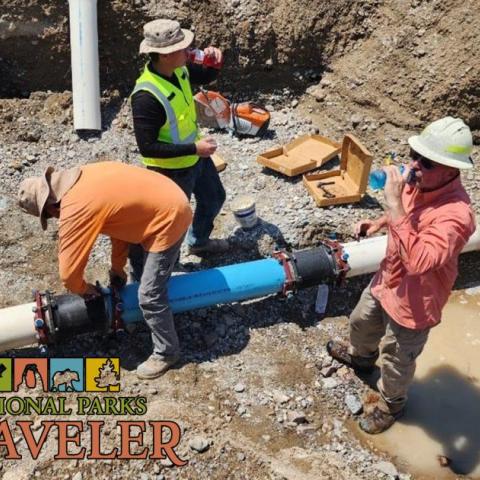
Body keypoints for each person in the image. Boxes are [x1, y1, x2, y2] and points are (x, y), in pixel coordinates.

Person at [327, 117, 476, 434]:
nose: (414, 165)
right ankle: (361, 359)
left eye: (426, 161)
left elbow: (421, 262)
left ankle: (391, 405)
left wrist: (393, 202)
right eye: (415, 155)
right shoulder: (420, 182)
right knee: (360, 322)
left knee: (396, 361)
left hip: (416, 302)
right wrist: (378, 223)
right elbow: (403, 210)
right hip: (387, 280)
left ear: (452, 170)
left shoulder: (457, 215)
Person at [17, 161, 192, 380]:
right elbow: (120, 222)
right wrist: (117, 269)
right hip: (162, 199)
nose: (57, 219)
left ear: (51, 207)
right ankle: (141, 315)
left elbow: (69, 274)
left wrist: (85, 290)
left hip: (170, 217)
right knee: (140, 272)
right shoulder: (84, 176)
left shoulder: (76, 207)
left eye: (52, 217)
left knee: (150, 295)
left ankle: (167, 352)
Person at [130, 18, 228, 281]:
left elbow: (206, 75)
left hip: (196, 158)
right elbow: (147, 147)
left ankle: (199, 242)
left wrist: (214, 62)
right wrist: (194, 147)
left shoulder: (179, 71)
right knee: (172, 224)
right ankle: (156, 271)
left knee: (214, 197)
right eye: (182, 48)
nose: (189, 50)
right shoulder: (146, 96)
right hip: (170, 171)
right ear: (164, 55)